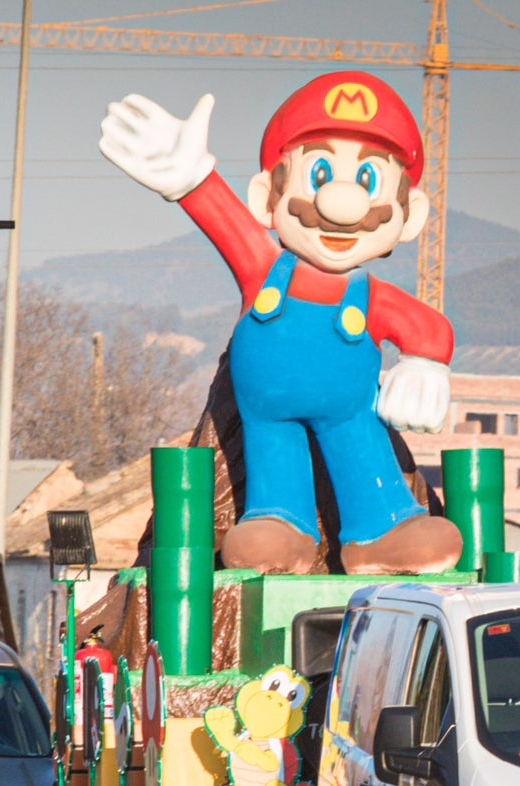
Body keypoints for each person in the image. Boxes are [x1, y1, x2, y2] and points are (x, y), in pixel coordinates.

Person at [99, 71, 461, 575]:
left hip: (351, 411)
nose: (342, 205)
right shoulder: (263, 269)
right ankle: (280, 524)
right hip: (268, 414)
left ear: (411, 213)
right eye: (318, 176)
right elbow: (222, 219)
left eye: (368, 181)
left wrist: (425, 364)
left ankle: (383, 529)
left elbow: (425, 326)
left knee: (361, 446)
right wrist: (189, 179)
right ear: (266, 197)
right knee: (274, 465)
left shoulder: (373, 296)